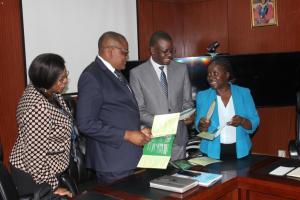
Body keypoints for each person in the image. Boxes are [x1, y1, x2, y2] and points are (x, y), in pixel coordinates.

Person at [76, 31, 151, 185]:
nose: (127, 57)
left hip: (128, 158)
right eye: (124, 52)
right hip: (112, 162)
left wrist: (139, 129)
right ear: (109, 51)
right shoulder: (92, 76)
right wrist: (127, 135)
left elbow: (120, 112)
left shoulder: (116, 73)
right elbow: (85, 124)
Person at [9, 53, 73, 198]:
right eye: (61, 79)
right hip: (34, 176)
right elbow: (34, 158)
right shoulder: (38, 109)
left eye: (65, 75)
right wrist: (52, 188)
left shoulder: (46, 91)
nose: (65, 81)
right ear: (47, 80)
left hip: (45, 169)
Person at [130, 31, 194, 161]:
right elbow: (139, 111)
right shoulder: (137, 74)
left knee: (180, 179)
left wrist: (189, 115)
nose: (170, 55)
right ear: (153, 50)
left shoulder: (181, 69)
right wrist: (166, 123)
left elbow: (187, 102)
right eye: (165, 51)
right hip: (154, 139)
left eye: (172, 51)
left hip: (178, 139)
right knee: (155, 180)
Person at [195, 57, 260, 160]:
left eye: (215, 73)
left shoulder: (243, 93)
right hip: (211, 152)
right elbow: (199, 127)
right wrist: (203, 125)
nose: (211, 77)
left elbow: (254, 122)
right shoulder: (203, 96)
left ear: (227, 75)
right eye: (209, 74)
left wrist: (242, 121)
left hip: (241, 151)